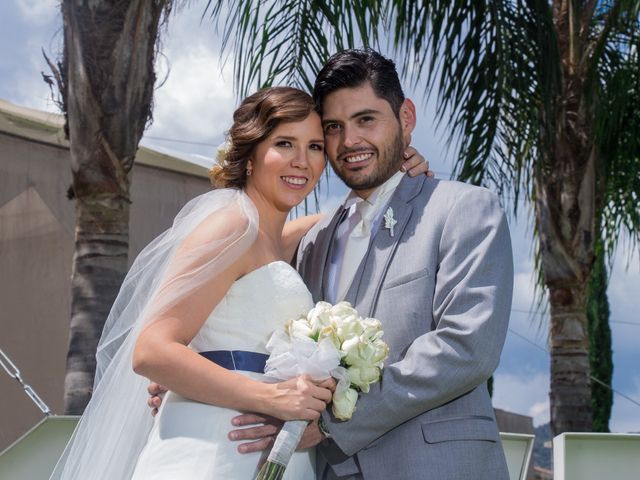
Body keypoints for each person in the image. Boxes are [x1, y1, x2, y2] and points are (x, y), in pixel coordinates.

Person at [51, 86, 429, 480]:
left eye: (315, 147)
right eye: (285, 144)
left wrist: (395, 180)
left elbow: (349, 217)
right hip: (213, 448)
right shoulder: (232, 227)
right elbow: (151, 351)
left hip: (261, 451)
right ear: (250, 156)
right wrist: (272, 396)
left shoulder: (275, 237)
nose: (302, 162)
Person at [221, 49, 514, 479]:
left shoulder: (463, 209)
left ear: (406, 118)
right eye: (334, 128)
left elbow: (466, 348)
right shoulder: (313, 240)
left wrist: (331, 421)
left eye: (366, 120)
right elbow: (259, 324)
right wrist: (198, 381)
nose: (350, 141)